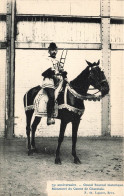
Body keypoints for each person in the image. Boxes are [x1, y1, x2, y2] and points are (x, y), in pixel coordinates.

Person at [41, 42, 67, 125]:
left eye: (55, 50)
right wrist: (54, 74)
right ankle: (49, 117)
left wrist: (63, 73)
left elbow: (59, 70)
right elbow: (45, 72)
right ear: (49, 51)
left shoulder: (57, 61)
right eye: (52, 50)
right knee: (52, 97)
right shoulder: (46, 59)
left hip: (57, 83)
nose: (54, 52)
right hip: (49, 82)